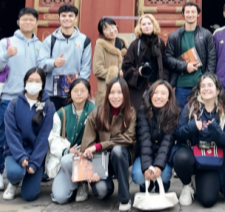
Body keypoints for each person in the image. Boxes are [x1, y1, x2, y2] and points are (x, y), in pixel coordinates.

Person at [0, 8, 45, 192]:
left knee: (34, 133)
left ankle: (31, 167)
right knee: (3, 134)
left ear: (36, 23)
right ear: (18, 22)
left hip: (33, 98)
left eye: (31, 20)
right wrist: (6, 55)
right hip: (10, 97)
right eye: (24, 19)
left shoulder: (40, 45)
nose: (28, 22)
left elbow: (44, 68)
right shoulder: (6, 43)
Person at [173, 73, 225, 208]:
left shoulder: (224, 112)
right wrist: (192, 127)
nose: (206, 88)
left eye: (210, 85)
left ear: (217, 90)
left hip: (211, 159)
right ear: (199, 90)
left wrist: (215, 129)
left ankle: (201, 181)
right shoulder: (190, 108)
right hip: (192, 155)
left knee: (207, 200)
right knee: (181, 157)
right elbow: (178, 134)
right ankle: (187, 184)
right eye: (203, 86)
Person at [80, 77, 137, 211]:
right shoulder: (97, 112)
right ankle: (106, 184)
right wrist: (91, 170)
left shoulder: (131, 112)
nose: (115, 96)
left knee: (117, 151)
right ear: (107, 94)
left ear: (125, 94)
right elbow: (87, 145)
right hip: (101, 160)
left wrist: (100, 145)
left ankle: (124, 198)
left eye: (119, 92)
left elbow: (128, 138)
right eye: (112, 92)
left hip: (122, 156)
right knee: (102, 192)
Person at [2, 67, 55, 201]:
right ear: (25, 82)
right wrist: (21, 156)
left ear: (43, 84)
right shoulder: (13, 104)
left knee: (30, 195)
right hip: (15, 152)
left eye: (37, 81)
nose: (33, 84)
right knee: (15, 173)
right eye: (30, 80)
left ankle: (29, 175)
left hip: (35, 154)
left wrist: (35, 162)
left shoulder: (48, 106)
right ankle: (14, 183)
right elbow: (11, 134)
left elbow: (44, 137)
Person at [50, 78, 96, 204]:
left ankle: (82, 182)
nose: (79, 93)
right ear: (70, 92)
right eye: (75, 90)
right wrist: (66, 151)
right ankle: (74, 185)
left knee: (67, 160)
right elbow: (53, 138)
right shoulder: (61, 113)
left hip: (88, 157)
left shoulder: (95, 111)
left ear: (88, 93)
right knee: (60, 197)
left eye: (83, 90)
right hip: (67, 159)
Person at [165, 1, 218, 110]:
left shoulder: (206, 34)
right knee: (180, 115)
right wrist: (185, 66)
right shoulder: (174, 36)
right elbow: (167, 58)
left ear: (198, 14)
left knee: (201, 113)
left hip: (200, 85)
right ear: (183, 14)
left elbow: (212, 58)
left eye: (193, 12)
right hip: (181, 86)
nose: (190, 14)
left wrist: (206, 80)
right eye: (187, 12)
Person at [41, 4, 92, 111]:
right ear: (59, 18)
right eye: (63, 16)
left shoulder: (84, 40)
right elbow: (41, 63)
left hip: (74, 91)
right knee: (52, 119)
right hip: (52, 92)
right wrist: (53, 63)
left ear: (76, 18)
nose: (67, 18)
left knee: (72, 120)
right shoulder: (50, 40)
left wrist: (79, 87)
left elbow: (86, 67)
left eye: (70, 16)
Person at [132, 80, 179, 193]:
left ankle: (163, 184)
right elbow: (144, 140)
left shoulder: (173, 113)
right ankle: (145, 185)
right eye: (155, 92)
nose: (158, 96)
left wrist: (158, 166)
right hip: (146, 154)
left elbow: (167, 142)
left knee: (165, 174)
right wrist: (147, 167)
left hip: (163, 155)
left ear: (169, 98)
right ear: (150, 95)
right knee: (138, 175)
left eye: (163, 93)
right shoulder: (143, 111)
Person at [122, 14, 169, 111]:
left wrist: (164, 81)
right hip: (140, 88)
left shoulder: (159, 43)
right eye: (143, 24)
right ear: (140, 27)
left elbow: (165, 64)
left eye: (149, 23)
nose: (147, 26)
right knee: (140, 114)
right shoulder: (135, 45)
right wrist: (138, 72)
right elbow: (126, 67)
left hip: (157, 87)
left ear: (153, 25)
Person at [94, 17, 128, 104]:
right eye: (107, 29)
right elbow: (97, 69)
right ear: (102, 33)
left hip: (122, 87)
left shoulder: (122, 43)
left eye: (113, 27)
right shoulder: (100, 45)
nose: (112, 31)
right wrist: (115, 74)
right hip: (106, 89)